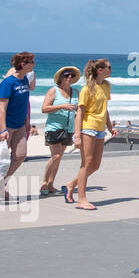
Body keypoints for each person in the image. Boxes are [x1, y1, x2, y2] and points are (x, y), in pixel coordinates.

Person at [63, 59, 116, 211]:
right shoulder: (87, 89)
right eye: (109, 67)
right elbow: (79, 113)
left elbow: (104, 109)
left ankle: (71, 185)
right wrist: (77, 135)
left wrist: (110, 127)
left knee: (95, 165)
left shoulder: (106, 86)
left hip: (100, 129)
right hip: (88, 127)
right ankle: (81, 199)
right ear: (100, 70)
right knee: (86, 163)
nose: (110, 70)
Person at [0, 52, 35, 203]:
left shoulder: (24, 81)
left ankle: (1, 185)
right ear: (22, 65)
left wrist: (27, 120)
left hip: (19, 125)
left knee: (20, 155)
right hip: (3, 126)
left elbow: (24, 103)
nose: (34, 64)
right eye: (31, 62)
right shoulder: (8, 83)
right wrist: (3, 129)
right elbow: (2, 108)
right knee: (0, 160)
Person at [39, 65, 80, 196]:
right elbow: (44, 108)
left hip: (69, 129)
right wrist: (62, 106)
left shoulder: (76, 92)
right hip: (54, 127)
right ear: (60, 78)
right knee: (55, 156)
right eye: (66, 75)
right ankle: (44, 183)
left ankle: (51, 184)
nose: (69, 77)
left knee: (59, 158)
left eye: (72, 76)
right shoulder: (54, 91)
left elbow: (79, 110)